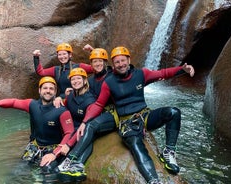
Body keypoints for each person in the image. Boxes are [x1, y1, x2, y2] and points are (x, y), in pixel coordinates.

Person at [61, 46, 195, 184]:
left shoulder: (141, 74)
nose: (121, 64)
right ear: (113, 65)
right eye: (117, 62)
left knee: (173, 112)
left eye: (123, 60)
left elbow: (163, 73)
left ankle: (169, 152)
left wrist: (182, 70)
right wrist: (85, 122)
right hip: (126, 123)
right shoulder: (109, 82)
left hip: (145, 115)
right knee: (137, 146)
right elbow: (99, 104)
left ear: (129, 59)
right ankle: (153, 180)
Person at [56, 48, 118, 183]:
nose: (97, 64)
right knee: (89, 127)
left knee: (90, 127)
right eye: (95, 62)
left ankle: (75, 160)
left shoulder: (112, 75)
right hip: (97, 108)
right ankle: (77, 165)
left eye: (100, 61)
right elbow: (82, 92)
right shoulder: (90, 80)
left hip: (107, 112)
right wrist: (61, 96)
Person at [0, 76, 75, 168]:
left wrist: (54, 154)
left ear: (55, 92)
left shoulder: (62, 111)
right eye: (45, 88)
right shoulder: (32, 105)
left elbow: (69, 133)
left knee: (44, 174)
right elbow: (13, 102)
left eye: (51, 89)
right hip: (35, 146)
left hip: (53, 148)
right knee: (19, 170)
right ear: (39, 90)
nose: (48, 91)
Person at [40, 68, 96, 182]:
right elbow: (64, 109)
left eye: (78, 79)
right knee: (48, 167)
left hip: (82, 134)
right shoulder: (70, 95)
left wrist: (68, 145)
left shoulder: (91, 100)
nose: (75, 81)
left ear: (85, 81)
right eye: (73, 79)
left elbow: (84, 127)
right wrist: (60, 98)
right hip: (69, 132)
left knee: (64, 175)